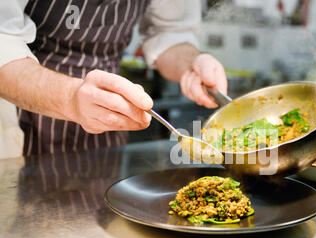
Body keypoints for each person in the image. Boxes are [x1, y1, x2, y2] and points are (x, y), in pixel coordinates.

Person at [0, 0, 227, 156]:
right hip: (23, 116)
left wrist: (191, 64)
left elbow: (170, 32)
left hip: (107, 130)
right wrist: (71, 99)